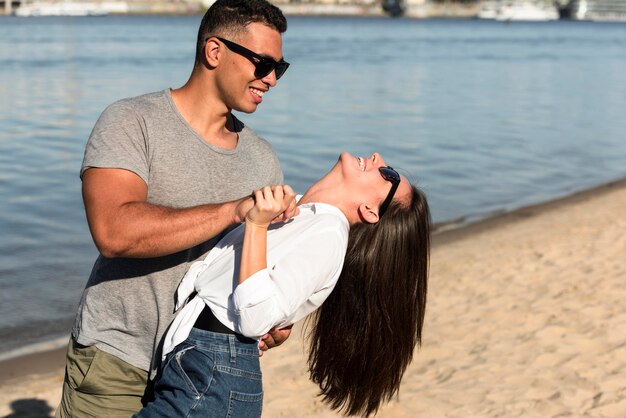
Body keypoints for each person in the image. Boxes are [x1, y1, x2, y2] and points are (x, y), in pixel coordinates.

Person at [56, 1, 295, 417]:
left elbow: (257, 272)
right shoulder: (131, 121)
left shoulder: (263, 159)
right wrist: (234, 210)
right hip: (117, 359)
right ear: (214, 52)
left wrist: (273, 322)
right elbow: (113, 231)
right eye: (262, 63)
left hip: (205, 373)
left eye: (280, 67)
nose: (271, 79)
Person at [135, 152, 431, 418]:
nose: (378, 158)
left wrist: (256, 225)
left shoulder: (328, 233)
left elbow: (256, 317)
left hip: (212, 373)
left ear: (369, 210)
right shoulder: (302, 214)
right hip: (203, 366)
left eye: (387, 174)